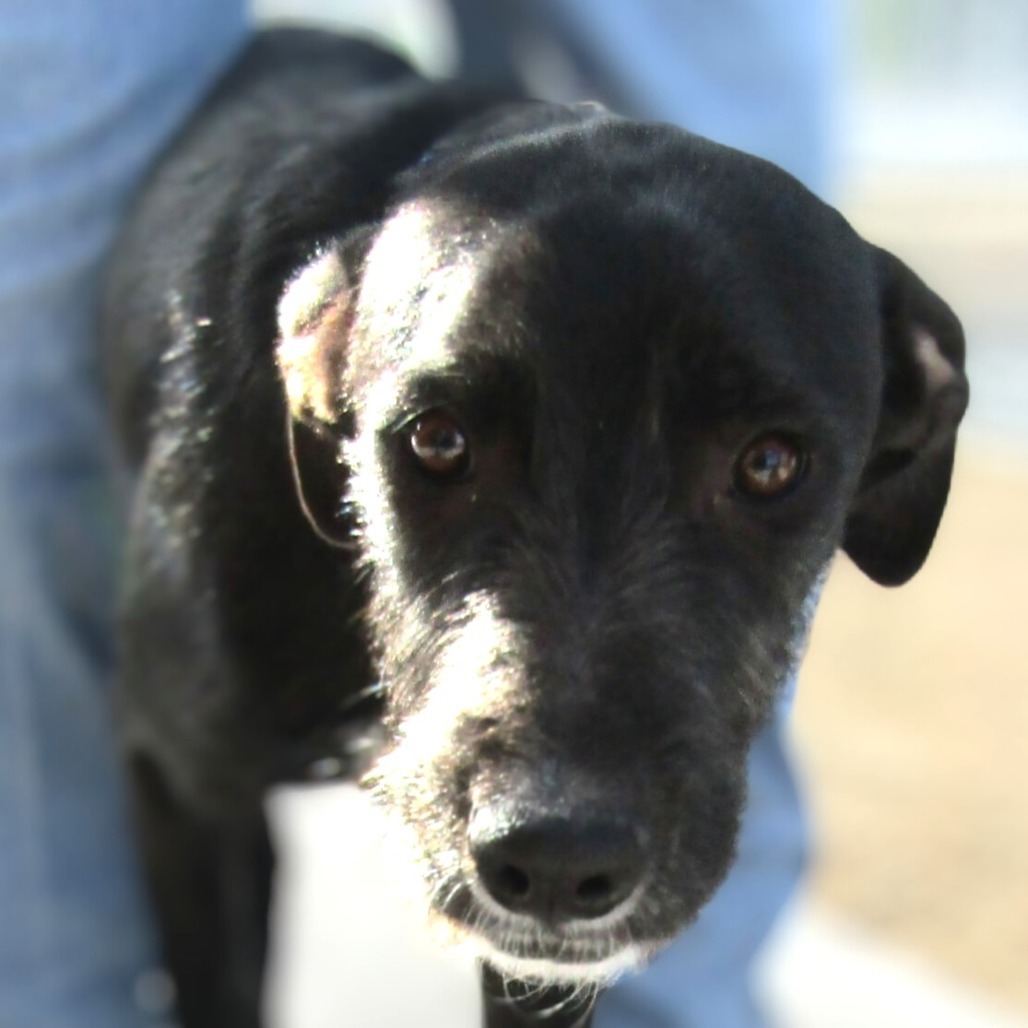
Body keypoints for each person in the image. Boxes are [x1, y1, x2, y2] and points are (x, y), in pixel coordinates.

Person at [0, 3, 835, 1025]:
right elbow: (187, 789)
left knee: (716, 225)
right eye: (442, 445)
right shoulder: (238, 523)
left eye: (763, 466)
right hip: (287, 299)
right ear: (321, 364)